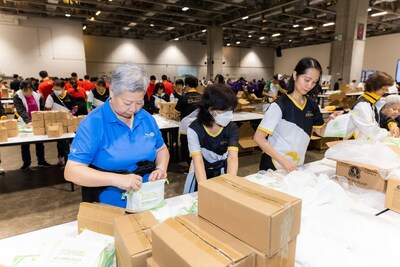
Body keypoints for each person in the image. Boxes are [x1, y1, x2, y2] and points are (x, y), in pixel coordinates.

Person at [64, 62, 169, 208]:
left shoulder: (146, 118)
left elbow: (161, 149)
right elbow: (72, 171)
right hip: (110, 203)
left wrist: (160, 168)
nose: (133, 109)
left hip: (148, 198)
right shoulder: (93, 123)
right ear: (112, 91)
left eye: (139, 102)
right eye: (127, 102)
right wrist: (116, 179)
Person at [254, 57, 342, 173]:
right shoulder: (280, 105)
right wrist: (284, 162)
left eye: (314, 82)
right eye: (307, 80)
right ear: (295, 75)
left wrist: (332, 121)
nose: (310, 85)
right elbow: (259, 138)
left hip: (296, 165)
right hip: (274, 165)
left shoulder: (311, 104)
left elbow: (320, 132)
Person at [183, 83, 238, 193]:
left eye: (231, 110)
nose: (229, 115)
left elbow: (232, 158)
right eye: (225, 110)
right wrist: (205, 190)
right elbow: (198, 162)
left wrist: (231, 183)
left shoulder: (232, 127)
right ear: (211, 110)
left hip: (222, 171)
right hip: (201, 173)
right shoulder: (194, 129)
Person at [13, 81, 51, 171]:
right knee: (25, 144)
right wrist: (28, 121)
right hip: (24, 122)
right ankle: (26, 163)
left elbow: (41, 107)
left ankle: (41, 161)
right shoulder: (17, 96)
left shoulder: (37, 95)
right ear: (21, 90)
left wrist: (42, 117)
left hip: (37, 121)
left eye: (30, 90)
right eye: (26, 91)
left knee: (39, 142)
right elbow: (21, 110)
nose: (28, 93)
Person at [351, 71, 394, 141]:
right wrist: (388, 134)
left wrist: (391, 123)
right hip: (359, 143)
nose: (385, 91)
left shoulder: (370, 102)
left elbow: (379, 117)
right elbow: (369, 129)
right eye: (383, 89)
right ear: (374, 86)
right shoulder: (362, 105)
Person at [45, 79, 78, 166]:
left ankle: (71, 159)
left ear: (63, 88)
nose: (56, 91)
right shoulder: (51, 96)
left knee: (71, 141)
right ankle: (60, 158)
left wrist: (71, 113)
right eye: (54, 89)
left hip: (68, 122)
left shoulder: (69, 96)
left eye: (58, 89)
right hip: (56, 123)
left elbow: (75, 108)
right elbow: (47, 109)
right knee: (60, 141)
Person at [175, 76, 202, 172]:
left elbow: (177, 111)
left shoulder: (183, 98)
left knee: (186, 148)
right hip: (198, 127)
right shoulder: (201, 97)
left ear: (186, 85)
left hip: (185, 128)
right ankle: (197, 166)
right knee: (197, 147)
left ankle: (190, 167)